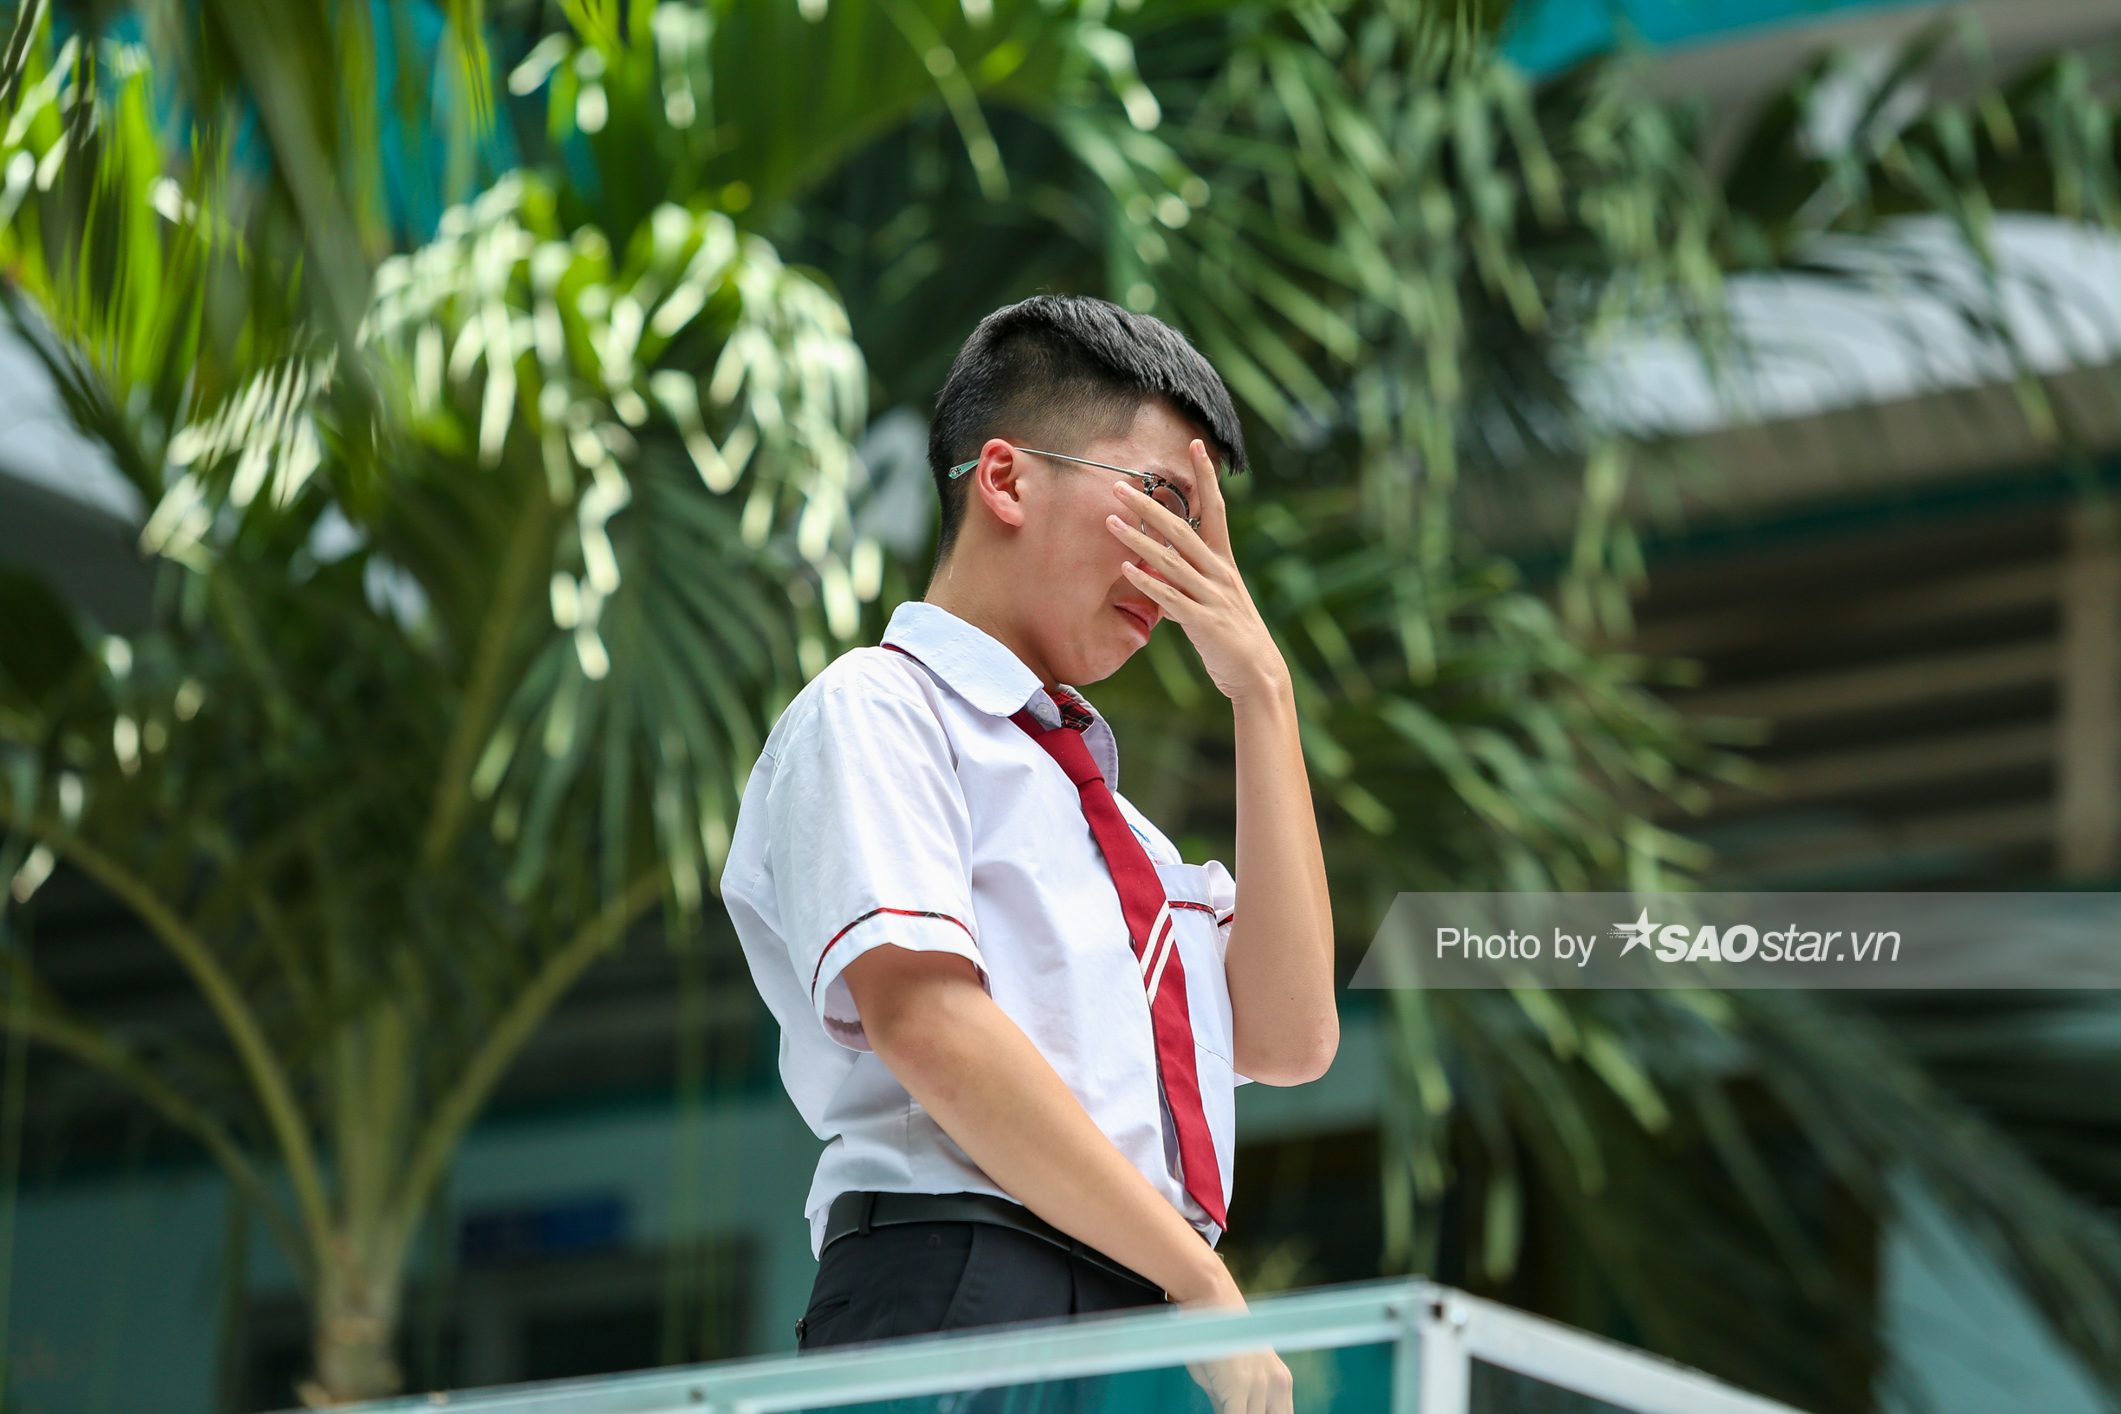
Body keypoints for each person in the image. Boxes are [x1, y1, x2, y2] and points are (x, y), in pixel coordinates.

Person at [722, 294, 1337, 1412]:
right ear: (1004, 479)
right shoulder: (881, 708)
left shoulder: (1131, 842)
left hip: (1140, 1312)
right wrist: (1200, 1278)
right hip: (964, 1284)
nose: (1186, 566)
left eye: (1203, 531)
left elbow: (1291, 1039)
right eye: (1162, 502)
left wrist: (1263, 688)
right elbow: (928, 1021)